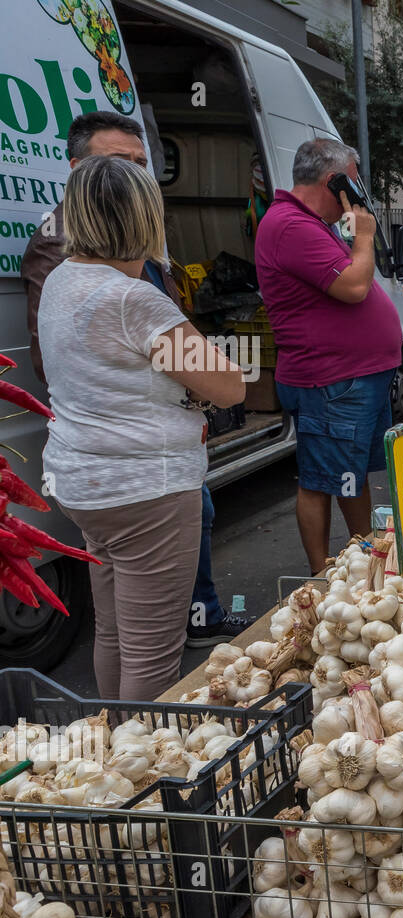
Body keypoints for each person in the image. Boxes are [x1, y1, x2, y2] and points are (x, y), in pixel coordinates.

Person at [19, 110, 249, 649]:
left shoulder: (65, 277)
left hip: (91, 477)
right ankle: (142, 734)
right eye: (121, 167)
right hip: (144, 481)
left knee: (115, 630)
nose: (135, 179)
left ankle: (113, 726)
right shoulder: (129, 294)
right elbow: (229, 385)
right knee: (152, 649)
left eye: (142, 166)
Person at [256, 139, 403, 575]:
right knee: (320, 481)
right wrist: (365, 236)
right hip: (329, 380)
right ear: (333, 180)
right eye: (353, 181)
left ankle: (366, 562)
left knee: (349, 473)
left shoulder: (311, 223)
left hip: (353, 377)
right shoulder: (289, 225)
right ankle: (322, 579)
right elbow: (354, 286)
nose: (357, 192)